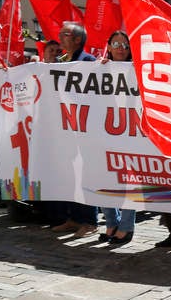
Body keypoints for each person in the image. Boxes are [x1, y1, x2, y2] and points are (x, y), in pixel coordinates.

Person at [50, 22, 99, 237]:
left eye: (65, 34)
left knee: (84, 174)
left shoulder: (87, 61)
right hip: (67, 127)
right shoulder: (64, 61)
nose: (60, 37)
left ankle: (89, 220)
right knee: (69, 174)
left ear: (78, 39)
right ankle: (73, 217)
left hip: (84, 128)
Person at [99, 31, 136, 245]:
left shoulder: (137, 69)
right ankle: (111, 222)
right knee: (103, 180)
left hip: (131, 134)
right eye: (116, 43)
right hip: (105, 134)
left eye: (125, 44)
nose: (121, 48)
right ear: (109, 46)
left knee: (131, 182)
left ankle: (126, 227)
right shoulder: (99, 69)